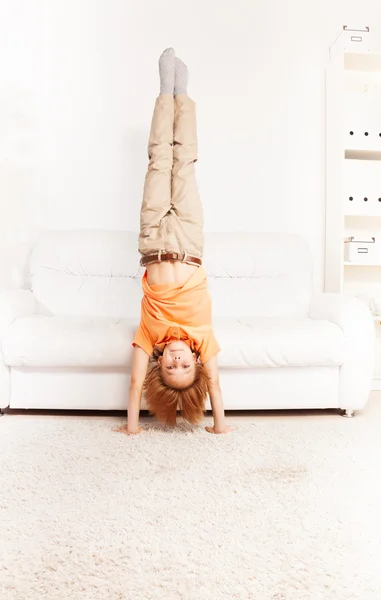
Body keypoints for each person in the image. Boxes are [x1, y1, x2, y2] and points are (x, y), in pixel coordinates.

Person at [117, 49, 232, 435]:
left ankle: (165, 91)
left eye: (170, 367)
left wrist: (132, 429)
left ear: (160, 362)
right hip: (189, 241)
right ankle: (183, 94)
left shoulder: (148, 337)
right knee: (184, 164)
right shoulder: (204, 339)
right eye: (186, 367)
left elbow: (136, 385)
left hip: (152, 239)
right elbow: (214, 384)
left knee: (157, 162)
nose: (178, 361)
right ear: (197, 364)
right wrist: (219, 426)